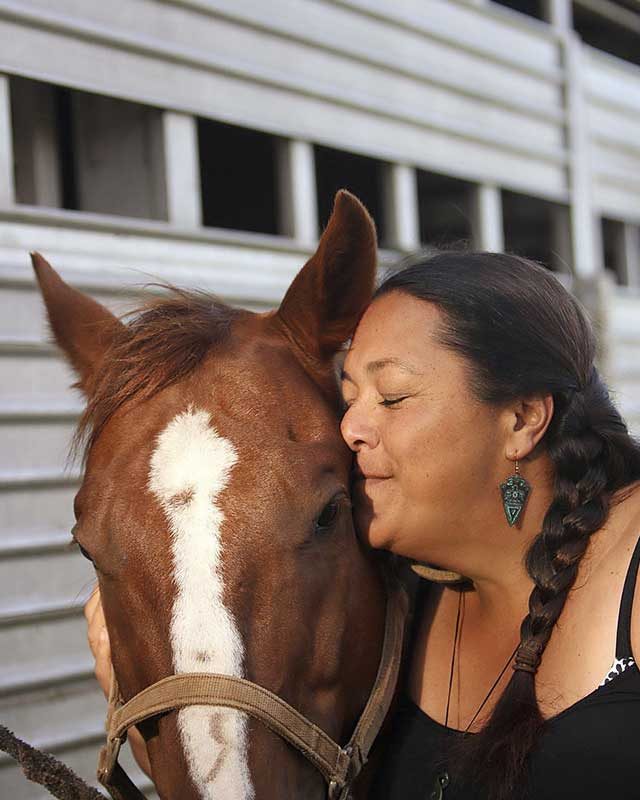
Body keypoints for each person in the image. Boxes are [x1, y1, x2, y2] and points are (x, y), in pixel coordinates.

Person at [85, 251, 640, 799]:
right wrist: (160, 727)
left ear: (521, 419)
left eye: (392, 397)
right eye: (348, 397)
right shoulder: (389, 598)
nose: (349, 428)